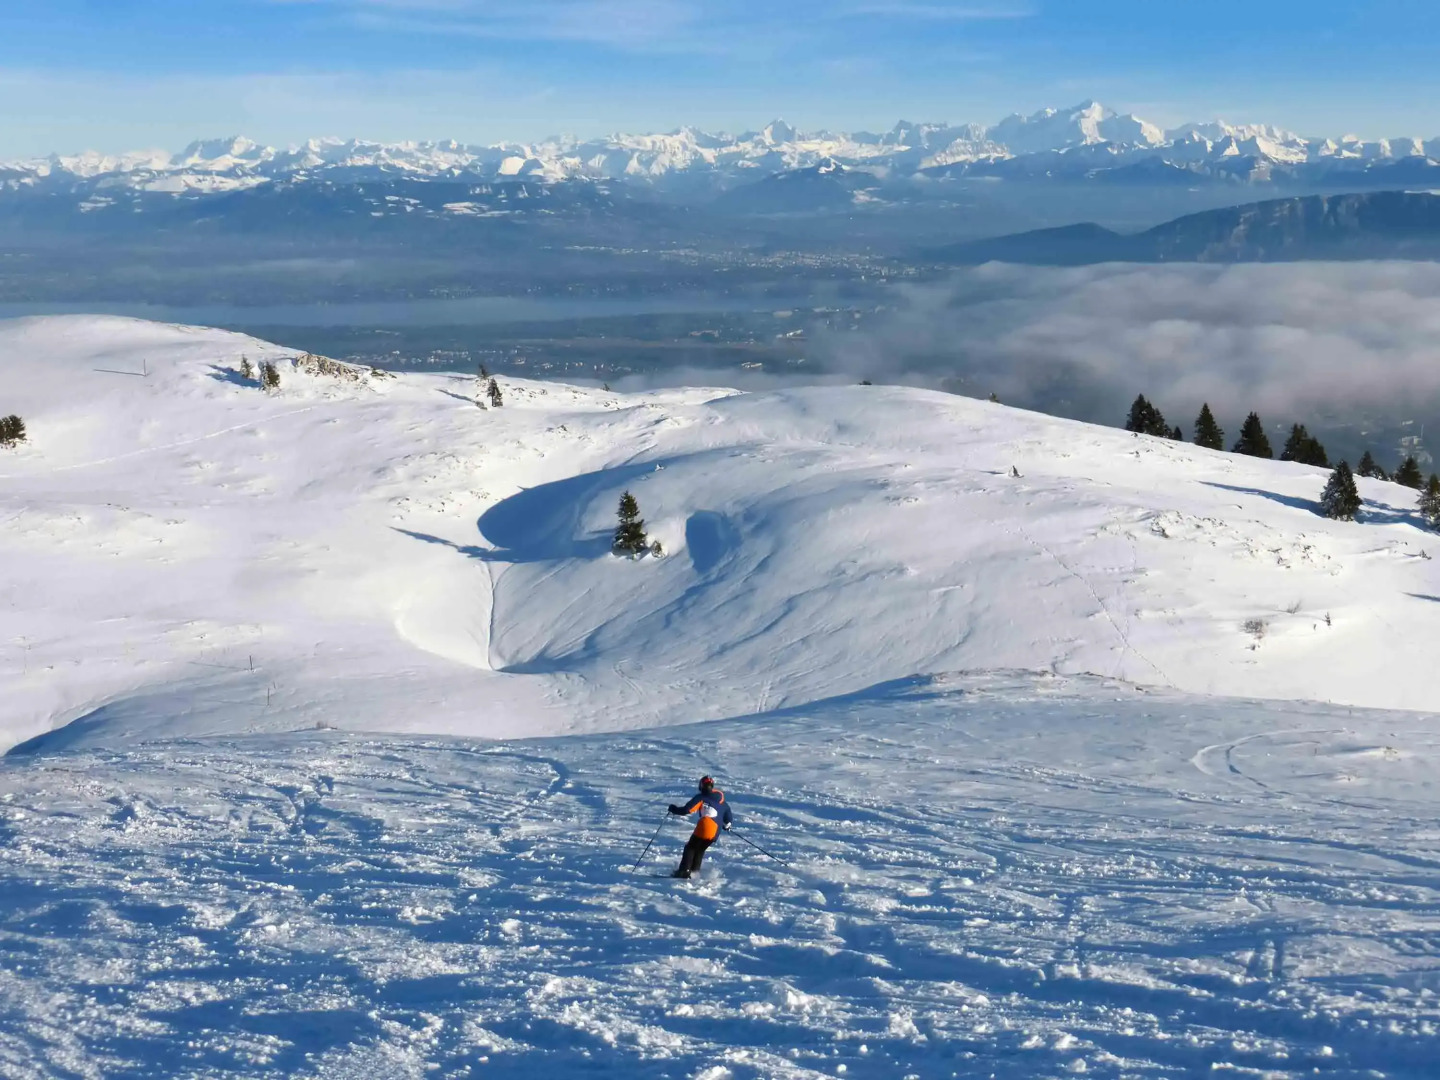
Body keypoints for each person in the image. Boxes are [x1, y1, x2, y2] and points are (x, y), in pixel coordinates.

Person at [668, 775, 732, 878]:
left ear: (701, 786)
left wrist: (674, 809)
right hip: (715, 832)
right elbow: (728, 816)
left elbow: (687, 810)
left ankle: (684, 871)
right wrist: (727, 825)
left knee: (690, 847)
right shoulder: (722, 801)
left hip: (705, 825)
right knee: (700, 849)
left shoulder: (701, 797)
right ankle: (694, 872)